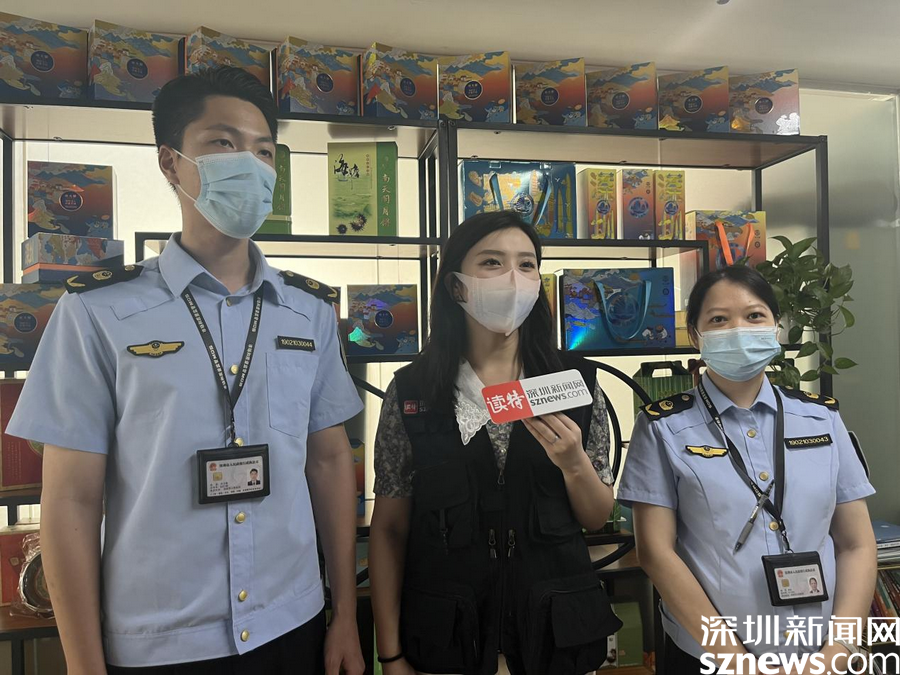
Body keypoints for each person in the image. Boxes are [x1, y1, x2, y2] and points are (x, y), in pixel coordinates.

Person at [8, 67, 365, 675]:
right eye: (223, 143)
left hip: (293, 620)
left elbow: (329, 462)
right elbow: (70, 498)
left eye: (264, 151)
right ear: (171, 163)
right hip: (159, 639)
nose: (249, 165)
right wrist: (84, 665)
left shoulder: (308, 311)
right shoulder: (97, 311)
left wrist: (346, 616)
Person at [369, 211, 620, 675]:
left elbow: (596, 516)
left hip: (554, 639)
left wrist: (574, 464)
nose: (513, 278)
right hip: (447, 640)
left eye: (527, 265)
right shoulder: (412, 393)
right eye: (491, 262)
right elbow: (389, 531)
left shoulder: (575, 383)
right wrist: (391, 654)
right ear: (456, 286)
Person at [617, 265, 877, 673]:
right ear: (696, 336)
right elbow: (656, 553)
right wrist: (738, 663)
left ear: (776, 327)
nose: (738, 329)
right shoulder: (663, 427)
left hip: (820, 656)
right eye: (719, 319)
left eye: (754, 315)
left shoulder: (821, 419)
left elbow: (856, 544)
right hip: (710, 659)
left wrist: (839, 649)